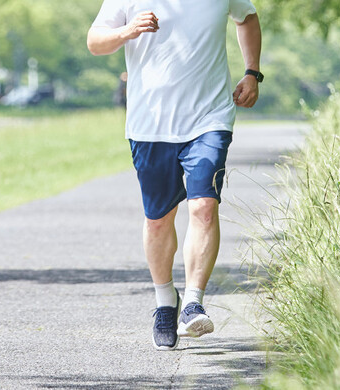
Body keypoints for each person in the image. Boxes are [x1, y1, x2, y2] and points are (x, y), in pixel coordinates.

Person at [86, 0, 263, 350]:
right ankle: (166, 301)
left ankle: (194, 302)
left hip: (209, 118)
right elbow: (95, 41)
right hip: (150, 124)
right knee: (158, 220)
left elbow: (248, 17)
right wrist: (128, 30)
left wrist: (252, 72)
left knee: (203, 206)